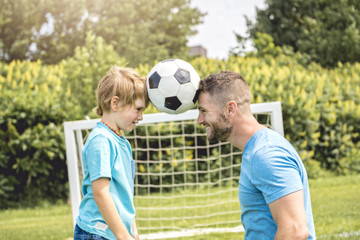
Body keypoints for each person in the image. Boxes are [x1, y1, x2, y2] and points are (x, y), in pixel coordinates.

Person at [196, 71, 316, 240]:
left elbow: (295, 231)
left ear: (230, 109)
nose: (199, 120)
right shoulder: (258, 150)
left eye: (203, 111)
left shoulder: (266, 154)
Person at [74, 65, 149, 240]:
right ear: (115, 103)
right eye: (138, 109)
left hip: (114, 233)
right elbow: (101, 192)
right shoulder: (101, 140)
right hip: (96, 232)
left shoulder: (120, 141)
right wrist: (123, 236)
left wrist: (132, 230)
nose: (141, 117)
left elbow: (125, 193)